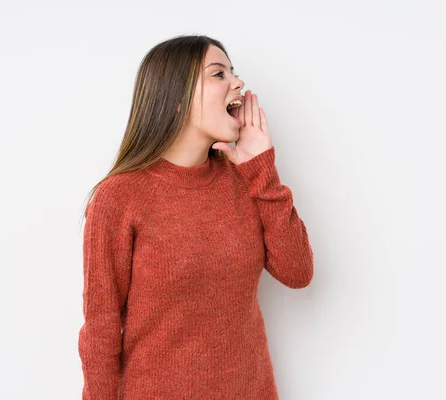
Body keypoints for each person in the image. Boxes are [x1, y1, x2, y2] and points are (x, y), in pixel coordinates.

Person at [78, 34, 314, 399]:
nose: (237, 83)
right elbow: (101, 332)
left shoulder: (243, 178)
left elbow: (298, 272)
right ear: (175, 98)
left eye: (234, 72)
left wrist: (261, 170)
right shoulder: (119, 197)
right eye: (218, 74)